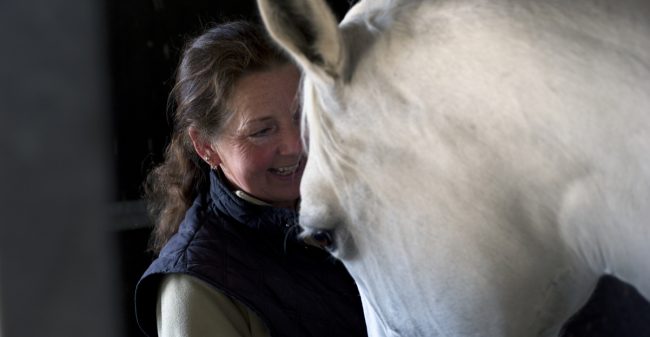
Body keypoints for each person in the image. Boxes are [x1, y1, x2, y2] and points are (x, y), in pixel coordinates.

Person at [134, 21, 367, 337]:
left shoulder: (363, 206)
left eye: (303, 115)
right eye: (261, 131)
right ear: (206, 147)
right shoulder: (194, 286)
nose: (296, 145)